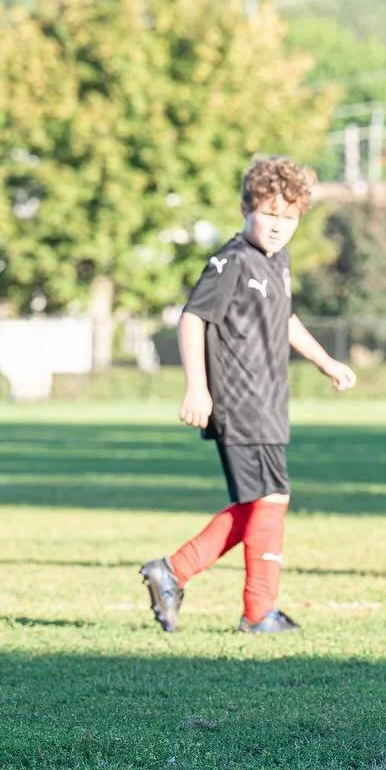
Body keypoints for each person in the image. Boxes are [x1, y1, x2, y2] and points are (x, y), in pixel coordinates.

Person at [139, 157, 356, 634]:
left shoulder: (277, 261)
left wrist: (326, 362)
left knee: (260, 503)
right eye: (270, 213)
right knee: (272, 498)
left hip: (269, 400)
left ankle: (171, 573)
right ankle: (258, 613)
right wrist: (197, 387)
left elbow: (285, 319)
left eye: (290, 217)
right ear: (245, 208)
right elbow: (193, 317)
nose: (279, 227)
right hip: (240, 400)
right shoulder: (231, 260)